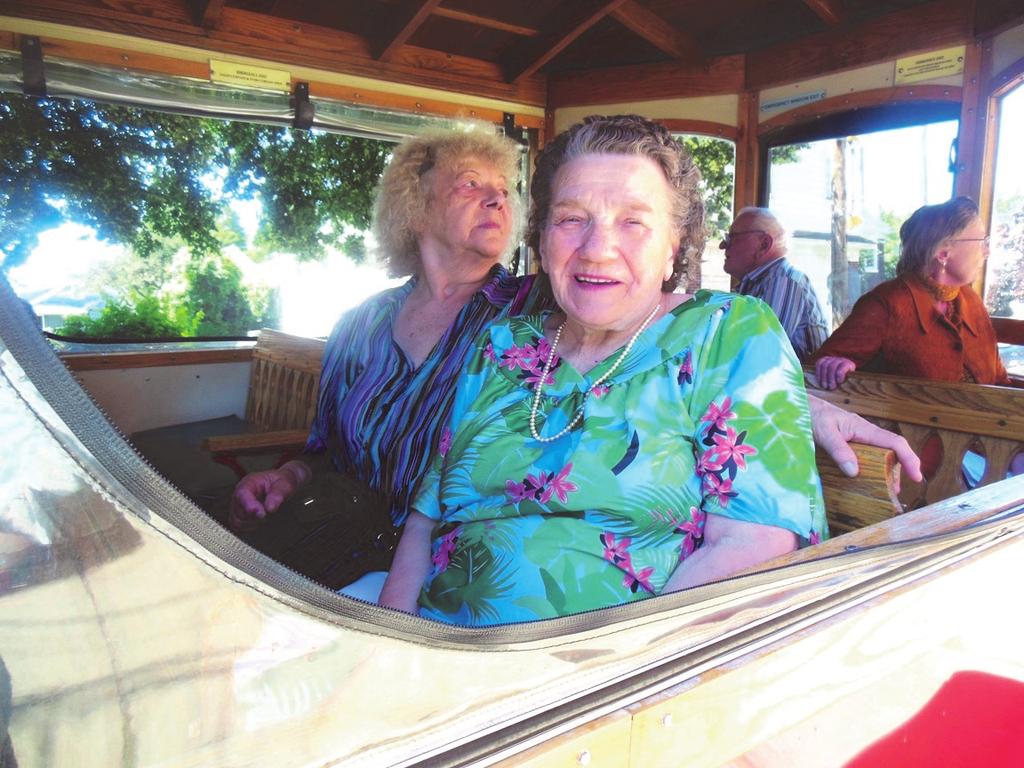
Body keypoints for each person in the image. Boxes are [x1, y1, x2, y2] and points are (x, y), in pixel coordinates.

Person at [228, 126, 920, 591]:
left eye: (504, 187)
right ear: (415, 206)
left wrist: (801, 405)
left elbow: (673, 343)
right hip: (369, 555)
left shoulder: (531, 301)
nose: (595, 245)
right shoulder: (378, 328)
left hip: (458, 607)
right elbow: (340, 458)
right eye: (472, 184)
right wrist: (289, 475)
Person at [379, 115, 829, 624]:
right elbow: (425, 519)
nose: (597, 248)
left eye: (634, 222)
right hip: (436, 654)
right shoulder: (499, 346)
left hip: (613, 679)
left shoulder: (726, 334)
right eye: (572, 219)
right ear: (543, 240)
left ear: (673, 247)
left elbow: (754, 545)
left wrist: (604, 673)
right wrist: (388, 648)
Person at [814, 197, 1009, 389]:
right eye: (981, 241)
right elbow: (814, 373)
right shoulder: (887, 304)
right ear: (943, 254)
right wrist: (837, 366)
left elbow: (1000, 381)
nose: (986, 252)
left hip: (982, 420)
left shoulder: (970, 300)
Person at [720, 207, 829, 361]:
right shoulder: (755, 284)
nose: (722, 245)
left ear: (764, 244)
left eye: (733, 237)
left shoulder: (783, 280)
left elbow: (760, 354)